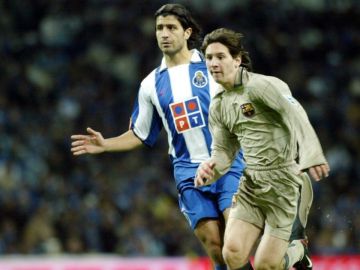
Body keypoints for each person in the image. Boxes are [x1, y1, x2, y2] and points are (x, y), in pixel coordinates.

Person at [71, 4, 246, 270]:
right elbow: (140, 134)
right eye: (159, 28)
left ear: (187, 32)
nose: (164, 34)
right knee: (215, 247)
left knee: (234, 245)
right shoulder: (150, 84)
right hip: (188, 172)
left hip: (228, 164)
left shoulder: (211, 64)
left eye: (171, 28)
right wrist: (106, 144)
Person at [195, 28, 330, 270]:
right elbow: (224, 153)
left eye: (220, 56)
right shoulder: (218, 106)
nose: (213, 63)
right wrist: (210, 171)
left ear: (236, 60)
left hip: (285, 183)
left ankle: (298, 250)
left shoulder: (263, 86)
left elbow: (296, 113)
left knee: (266, 266)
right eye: (209, 57)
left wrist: (312, 154)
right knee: (232, 254)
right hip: (252, 184)